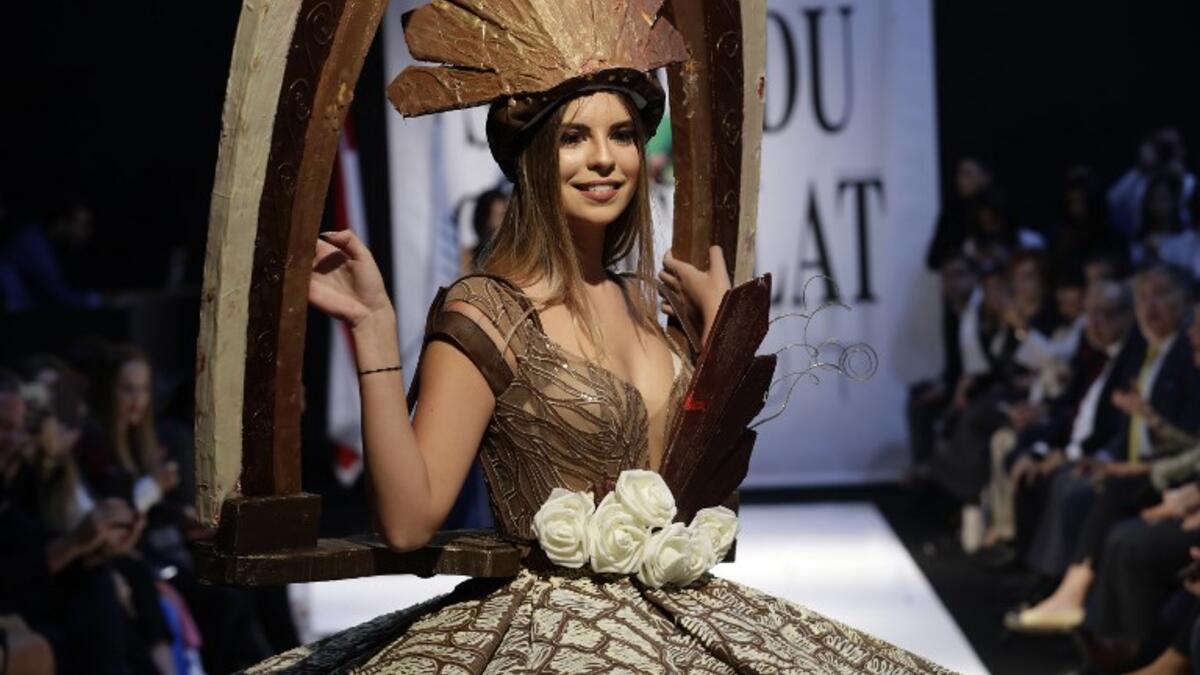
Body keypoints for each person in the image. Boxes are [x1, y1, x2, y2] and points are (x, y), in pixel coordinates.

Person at [242, 3, 949, 673]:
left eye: (622, 135)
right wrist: (373, 330)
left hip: (681, 620)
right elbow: (408, 520)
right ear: (531, 156)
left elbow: (697, 501)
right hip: (551, 636)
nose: (604, 159)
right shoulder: (488, 310)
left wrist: (717, 349)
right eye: (574, 137)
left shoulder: (643, 304)